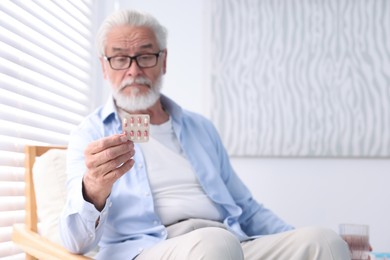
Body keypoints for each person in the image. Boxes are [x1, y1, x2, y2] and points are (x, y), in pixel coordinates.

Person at [59, 9, 350, 260]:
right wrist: (94, 187)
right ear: (104, 67)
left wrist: (293, 237)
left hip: (231, 243)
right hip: (151, 248)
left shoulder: (201, 129)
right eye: (120, 59)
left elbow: (246, 209)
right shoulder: (90, 134)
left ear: (163, 61)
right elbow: (77, 242)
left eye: (145, 56)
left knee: (324, 242)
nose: (134, 70)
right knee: (216, 244)